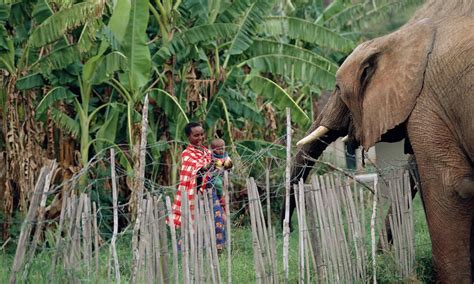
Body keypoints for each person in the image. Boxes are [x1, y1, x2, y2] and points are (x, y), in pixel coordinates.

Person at [171, 122, 211, 227]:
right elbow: (196, 169)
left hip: (209, 191)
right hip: (195, 192)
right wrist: (210, 166)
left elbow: (223, 166)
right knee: (194, 226)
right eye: (196, 135)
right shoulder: (186, 153)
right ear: (188, 137)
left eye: (202, 134)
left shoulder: (206, 151)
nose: (200, 137)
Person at [207, 138, 233, 251]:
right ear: (213, 149)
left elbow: (229, 166)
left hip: (223, 178)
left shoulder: (226, 156)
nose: (221, 151)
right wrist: (217, 167)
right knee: (217, 183)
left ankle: (221, 196)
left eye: (223, 148)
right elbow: (213, 168)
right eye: (218, 149)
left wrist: (226, 166)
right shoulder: (211, 157)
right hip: (214, 179)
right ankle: (219, 195)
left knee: (221, 184)